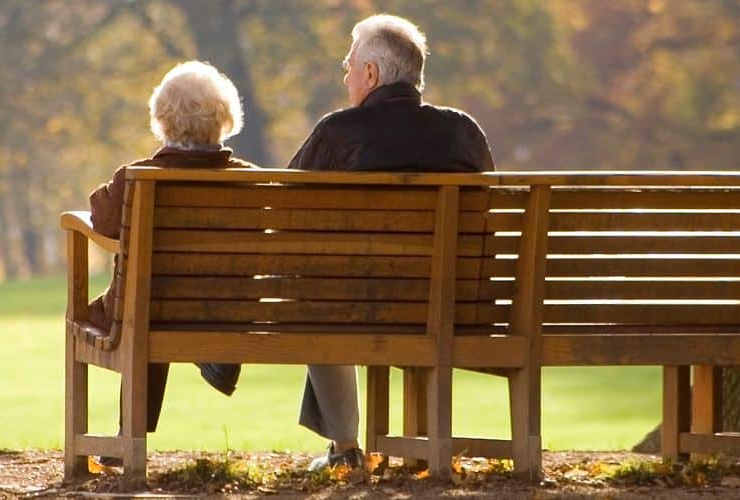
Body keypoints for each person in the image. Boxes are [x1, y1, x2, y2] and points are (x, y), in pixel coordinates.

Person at [288, 14, 495, 470]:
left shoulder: (336, 133)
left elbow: (283, 211)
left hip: (357, 308)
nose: (345, 76)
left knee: (313, 289)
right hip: (460, 305)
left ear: (372, 74)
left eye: (349, 65)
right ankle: (371, 445)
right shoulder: (464, 131)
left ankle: (345, 449)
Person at [87, 61, 254, 456]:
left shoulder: (136, 178)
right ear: (225, 117)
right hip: (222, 314)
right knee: (156, 295)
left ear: (162, 119)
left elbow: (103, 221)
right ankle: (215, 354)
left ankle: (130, 436)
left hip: (147, 310)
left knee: (142, 302)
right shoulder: (250, 180)